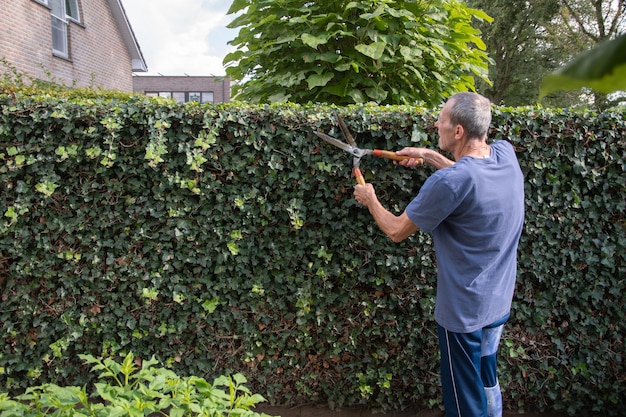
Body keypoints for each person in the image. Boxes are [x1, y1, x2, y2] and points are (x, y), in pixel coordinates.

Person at [353, 92, 525, 417]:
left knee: (464, 404)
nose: (436, 123)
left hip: (464, 315)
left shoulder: (449, 182)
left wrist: (370, 198)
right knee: (486, 380)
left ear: (458, 131)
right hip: (498, 303)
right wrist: (429, 155)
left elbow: (395, 230)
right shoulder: (505, 155)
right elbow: (470, 176)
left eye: (442, 119)